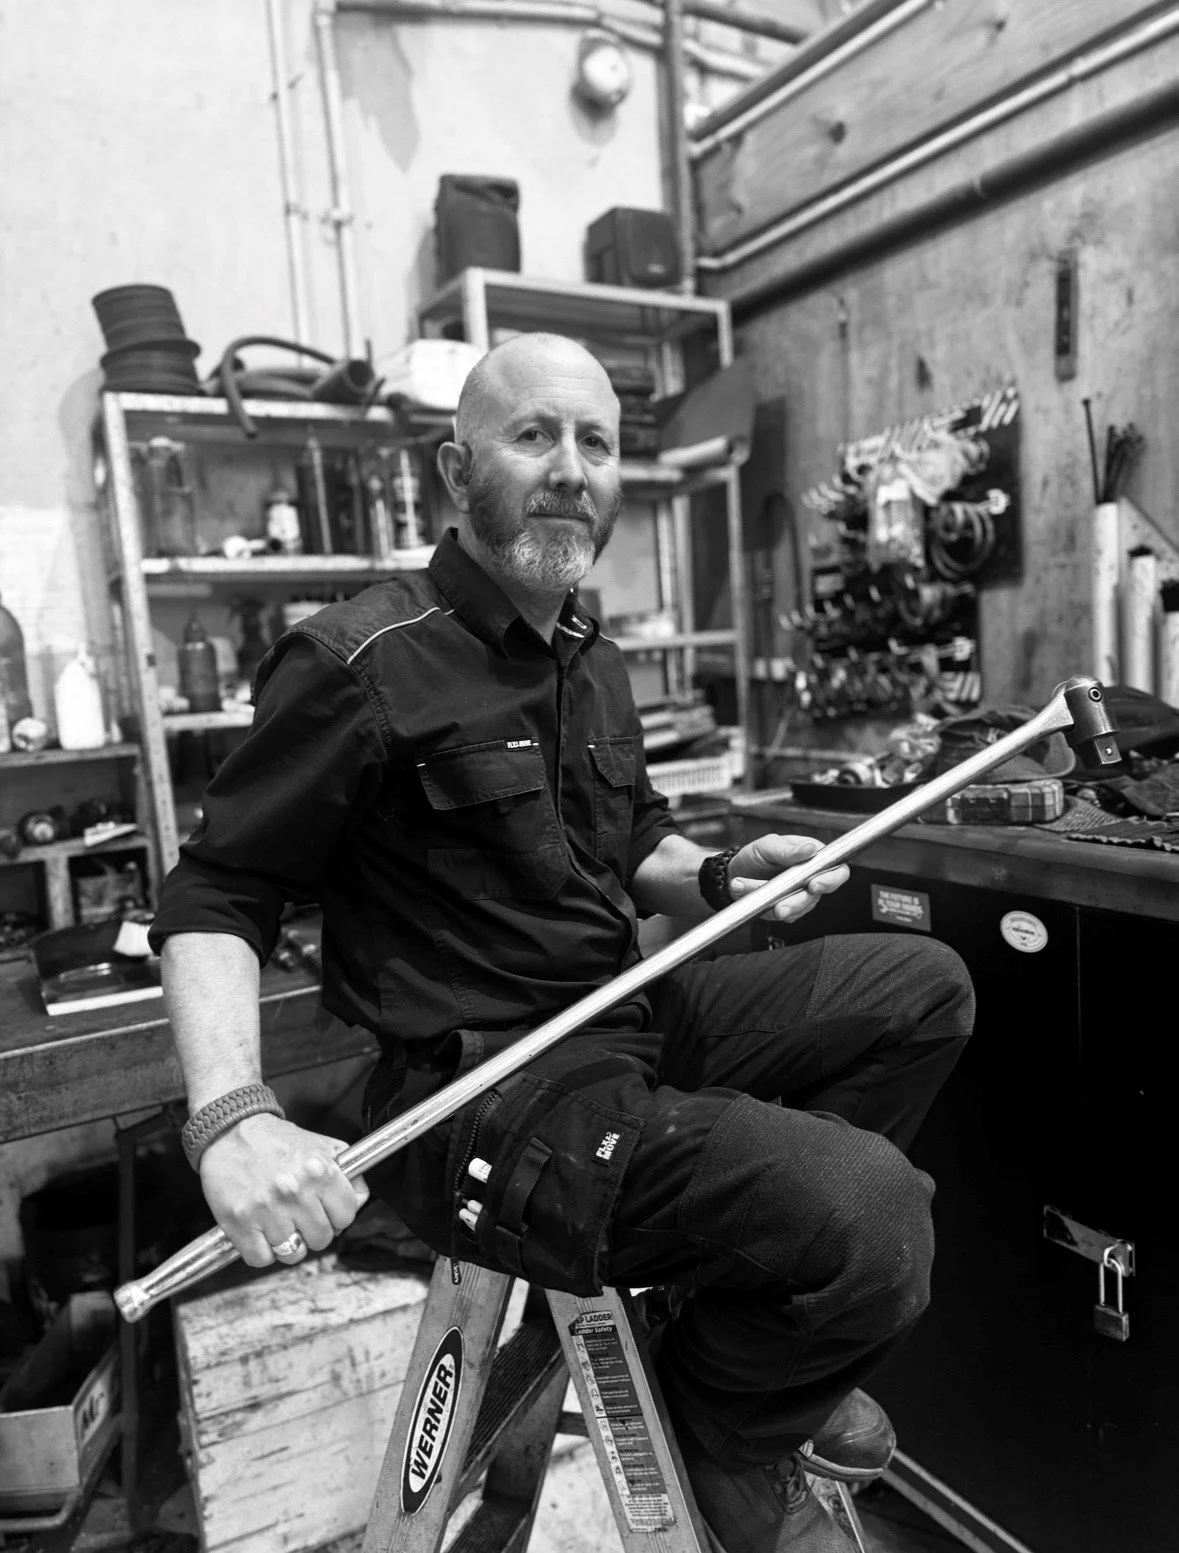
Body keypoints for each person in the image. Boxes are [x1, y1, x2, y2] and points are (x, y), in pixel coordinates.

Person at [150, 332, 974, 1553]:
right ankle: (728, 1428)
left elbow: (626, 835)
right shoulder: (355, 662)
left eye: (594, 440)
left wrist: (711, 871)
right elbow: (217, 890)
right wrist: (231, 1116)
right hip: (490, 1097)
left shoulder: (593, 655)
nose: (571, 467)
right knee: (875, 1219)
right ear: (454, 470)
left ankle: (730, 1356)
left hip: (624, 1022)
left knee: (922, 985)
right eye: (535, 434)